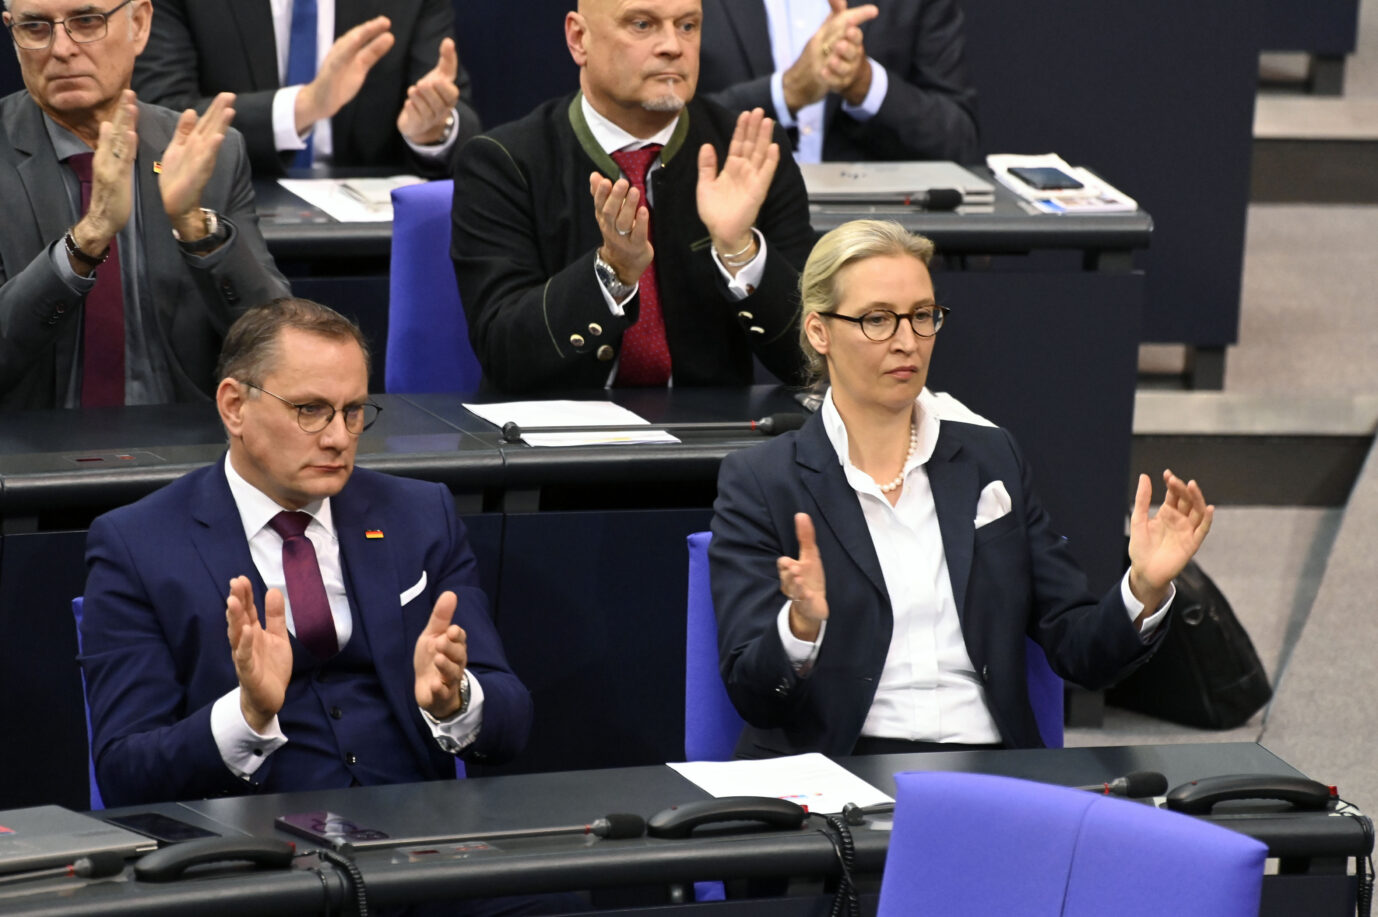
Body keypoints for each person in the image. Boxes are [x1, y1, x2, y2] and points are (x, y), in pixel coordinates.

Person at [709, 220, 1213, 758]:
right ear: (819, 333)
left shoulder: (990, 458)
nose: (908, 342)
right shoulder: (763, 481)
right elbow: (754, 695)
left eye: (923, 316)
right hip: (843, 765)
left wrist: (1143, 587)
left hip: (990, 763)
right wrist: (800, 627)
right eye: (878, 319)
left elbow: (1078, 648)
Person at [80, 298, 532, 807]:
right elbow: (124, 770)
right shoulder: (138, 544)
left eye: (353, 411)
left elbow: (512, 723)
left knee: (563, 888)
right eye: (310, 410)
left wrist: (457, 701)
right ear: (234, 406)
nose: (339, 438)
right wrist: (247, 715)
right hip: (249, 851)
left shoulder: (421, 515)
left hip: (414, 833)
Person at [450, 0, 817, 393]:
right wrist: (611, 274)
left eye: (688, 26)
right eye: (642, 24)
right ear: (578, 38)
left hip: (712, 439)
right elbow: (505, 354)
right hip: (554, 440)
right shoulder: (504, 162)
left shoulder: (749, 153)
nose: (673, 45)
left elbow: (811, 359)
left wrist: (740, 251)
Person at [0, 0, 289, 410]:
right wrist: (89, 236)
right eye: (36, 28)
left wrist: (195, 228)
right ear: (12, 33)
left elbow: (276, 345)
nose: (61, 48)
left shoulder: (206, 154)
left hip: (187, 442)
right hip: (27, 452)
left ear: (138, 23)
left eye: (86, 21)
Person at [132, 0, 478, 176]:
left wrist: (432, 130)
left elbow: (459, 119)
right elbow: (163, 118)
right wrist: (304, 106)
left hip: (369, 242)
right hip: (228, 210)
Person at [698, 0, 979, 164]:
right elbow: (664, 128)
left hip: (879, 240)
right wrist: (786, 92)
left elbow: (958, 142)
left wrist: (866, 85)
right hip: (732, 237)